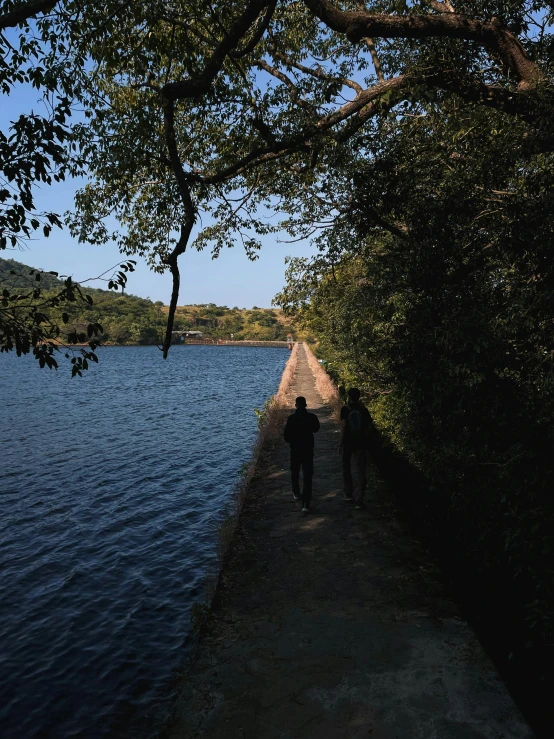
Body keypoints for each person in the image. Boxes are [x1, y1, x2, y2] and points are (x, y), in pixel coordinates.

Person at [283, 396, 320, 512]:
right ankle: (306, 503)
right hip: (308, 450)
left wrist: (293, 441)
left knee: (294, 471)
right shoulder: (312, 417)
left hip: (295, 450)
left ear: (295, 405)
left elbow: (286, 437)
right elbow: (316, 428)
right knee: (307, 475)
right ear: (306, 405)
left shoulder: (291, 419)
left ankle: (296, 492)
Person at [339, 388, 371, 509]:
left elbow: (343, 426)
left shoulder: (345, 409)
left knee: (346, 467)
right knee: (361, 470)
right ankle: (360, 499)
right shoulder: (363, 410)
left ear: (349, 397)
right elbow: (369, 427)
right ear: (359, 397)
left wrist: (340, 442)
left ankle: (348, 494)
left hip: (348, 442)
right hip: (361, 443)